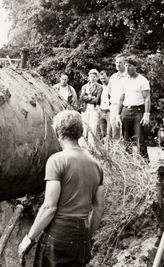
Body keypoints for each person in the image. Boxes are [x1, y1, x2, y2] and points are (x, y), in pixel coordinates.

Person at [18, 110, 105, 267]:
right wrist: (87, 237)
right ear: (80, 132)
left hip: (58, 234)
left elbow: (49, 207)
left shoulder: (57, 161)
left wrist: (29, 238)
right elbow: (99, 209)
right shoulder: (96, 166)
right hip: (81, 236)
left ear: (58, 132)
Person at [116, 55, 151, 162]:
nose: (127, 68)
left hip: (138, 111)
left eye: (130, 66)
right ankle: (128, 164)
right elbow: (121, 98)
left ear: (135, 67)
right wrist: (118, 115)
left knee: (140, 139)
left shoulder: (142, 80)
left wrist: (146, 114)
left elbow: (147, 98)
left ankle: (144, 164)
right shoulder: (124, 80)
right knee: (126, 140)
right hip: (126, 111)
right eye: (126, 65)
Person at [79, 69, 102, 145]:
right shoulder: (84, 87)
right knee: (84, 125)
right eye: (91, 76)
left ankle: (92, 144)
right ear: (88, 77)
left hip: (94, 108)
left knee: (93, 126)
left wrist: (88, 97)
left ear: (97, 77)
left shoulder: (99, 87)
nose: (92, 78)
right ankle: (84, 144)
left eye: (94, 77)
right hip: (85, 108)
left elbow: (97, 99)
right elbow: (82, 97)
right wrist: (91, 97)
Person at [108, 54, 126, 140]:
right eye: (117, 62)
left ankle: (126, 152)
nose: (118, 64)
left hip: (125, 107)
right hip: (114, 106)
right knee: (115, 132)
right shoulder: (113, 77)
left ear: (124, 63)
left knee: (125, 132)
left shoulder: (128, 76)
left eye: (120, 62)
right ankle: (117, 152)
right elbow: (109, 91)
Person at [98, 70, 111, 141]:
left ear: (108, 77)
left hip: (109, 112)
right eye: (101, 79)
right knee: (103, 134)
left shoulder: (112, 87)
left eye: (104, 78)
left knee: (109, 135)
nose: (102, 80)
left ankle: (110, 150)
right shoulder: (100, 87)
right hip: (101, 111)